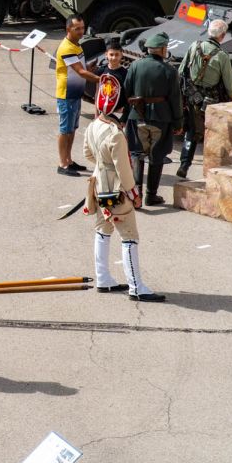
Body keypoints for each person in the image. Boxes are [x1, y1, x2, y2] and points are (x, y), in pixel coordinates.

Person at [82, 74, 165, 302]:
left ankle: (103, 278)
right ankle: (136, 286)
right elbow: (124, 171)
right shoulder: (116, 134)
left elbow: (87, 154)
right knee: (129, 236)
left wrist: (102, 165)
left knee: (103, 231)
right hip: (116, 191)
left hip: (99, 185)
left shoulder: (93, 126)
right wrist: (134, 193)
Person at [123, 32, 183, 206]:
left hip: (137, 116)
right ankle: (151, 195)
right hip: (160, 118)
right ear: (163, 49)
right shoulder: (169, 71)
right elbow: (175, 99)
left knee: (137, 154)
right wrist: (178, 122)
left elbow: (127, 91)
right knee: (157, 155)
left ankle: (137, 196)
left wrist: (126, 116)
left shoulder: (135, 66)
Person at [176, 19, 232, 178]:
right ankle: (214, 166)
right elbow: (229, 83)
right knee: (213, 131)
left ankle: (184, 163)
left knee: (191, 131)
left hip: (192, 96)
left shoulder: (194, 46)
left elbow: (182, 70)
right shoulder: (222, 56)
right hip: (211, 100)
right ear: (223, 36)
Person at [55, 15, 101, 177]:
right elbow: (80, 72)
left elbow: (82, 67)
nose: (81, 32)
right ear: (68, 30)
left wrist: (90, 67)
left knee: (72, 129)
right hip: (66, 94)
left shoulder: (77, 45)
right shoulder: (67, 48)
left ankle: (69, 160)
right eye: (77, 29)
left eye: (82, 28)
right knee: (65, 130)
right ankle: (62, 164)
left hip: (75, 93)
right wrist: (102, 79)